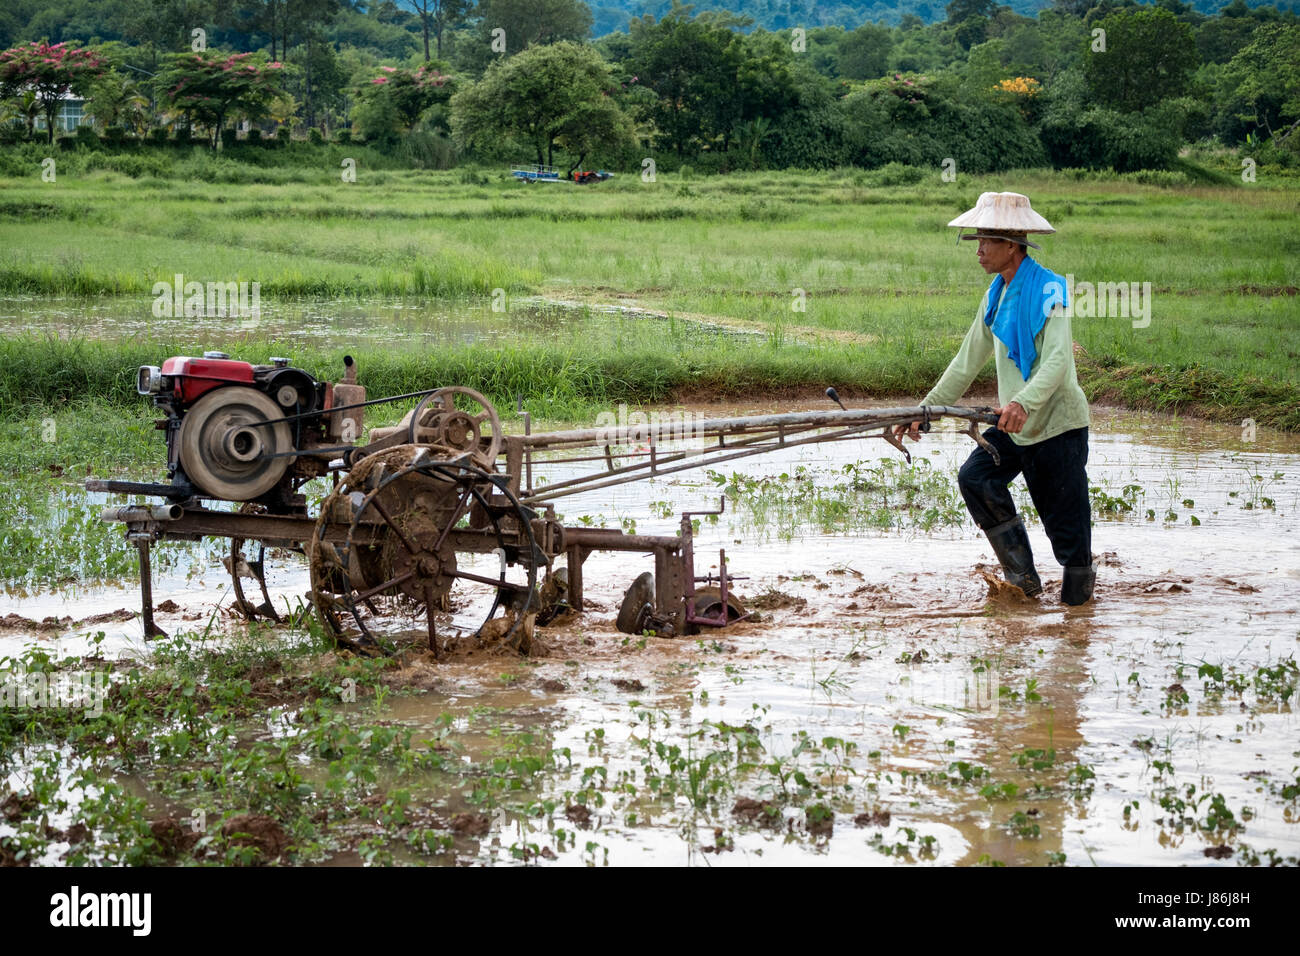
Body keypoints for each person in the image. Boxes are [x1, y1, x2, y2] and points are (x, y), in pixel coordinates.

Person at [893, 192, 1095, 605]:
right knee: (977, 478)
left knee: (1069, 539)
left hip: (1056, 424)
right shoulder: (995, 296)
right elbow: (966, 362)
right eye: (977, 241)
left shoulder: (1050, 290)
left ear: (1013, 246)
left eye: (987, 241)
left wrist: (1023, 402)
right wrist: (924, 411)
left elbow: (1057, 361)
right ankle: (1022, 577)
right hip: (1014, 425)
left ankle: (1078, 619)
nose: (980, 250)